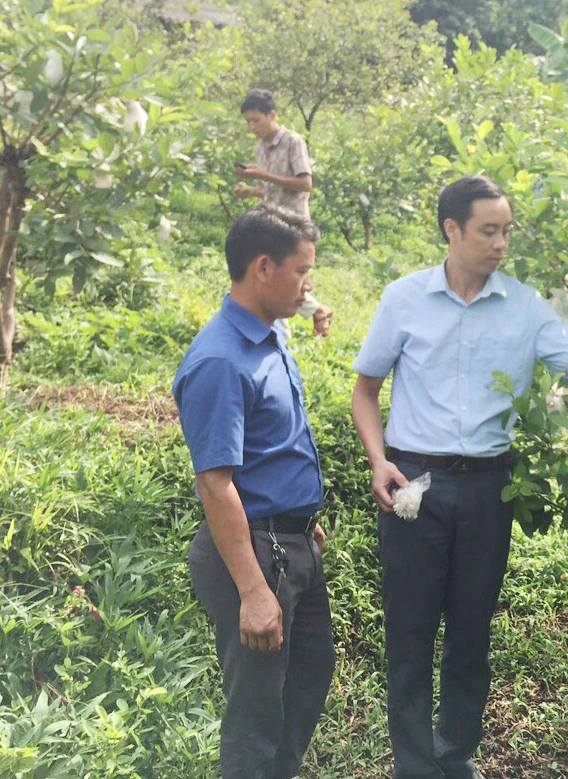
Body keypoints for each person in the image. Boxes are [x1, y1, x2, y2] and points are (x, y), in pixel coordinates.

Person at [350, 175, 568, 779]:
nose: (502, 243)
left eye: (507, 230)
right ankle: (414, 765)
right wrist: (379, 460)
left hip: (486, 489)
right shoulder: (403, 299)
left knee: (472, 629)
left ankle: (456, 755)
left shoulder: (526, 308)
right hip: (412, 484)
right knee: (410, 631)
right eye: (488, 230)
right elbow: (365, 392)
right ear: (452, 230)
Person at [173, 206, 335, 779]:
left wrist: (300, 517)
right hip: (256, 555)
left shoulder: (268, 332)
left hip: (291, 541)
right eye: (301, 271)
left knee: (311, 672)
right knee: (257, 710)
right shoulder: (220, 359)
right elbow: (215, 484)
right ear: (263, 267)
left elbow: (270, 448)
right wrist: (253, 590)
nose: (309, 284)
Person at [234, 88, 333, 337]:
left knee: (289, 278)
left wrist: (261, 174)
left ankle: (307, 318)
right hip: (270, 225)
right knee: (268, 279)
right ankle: (287, 327)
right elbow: (271, 188)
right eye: (248, 121)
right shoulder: (260, 148)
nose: (252, 126)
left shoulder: (293, 141)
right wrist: (250, 190)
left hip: (294, 227)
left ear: (272, 115)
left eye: (255, 120)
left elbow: (304, 183)